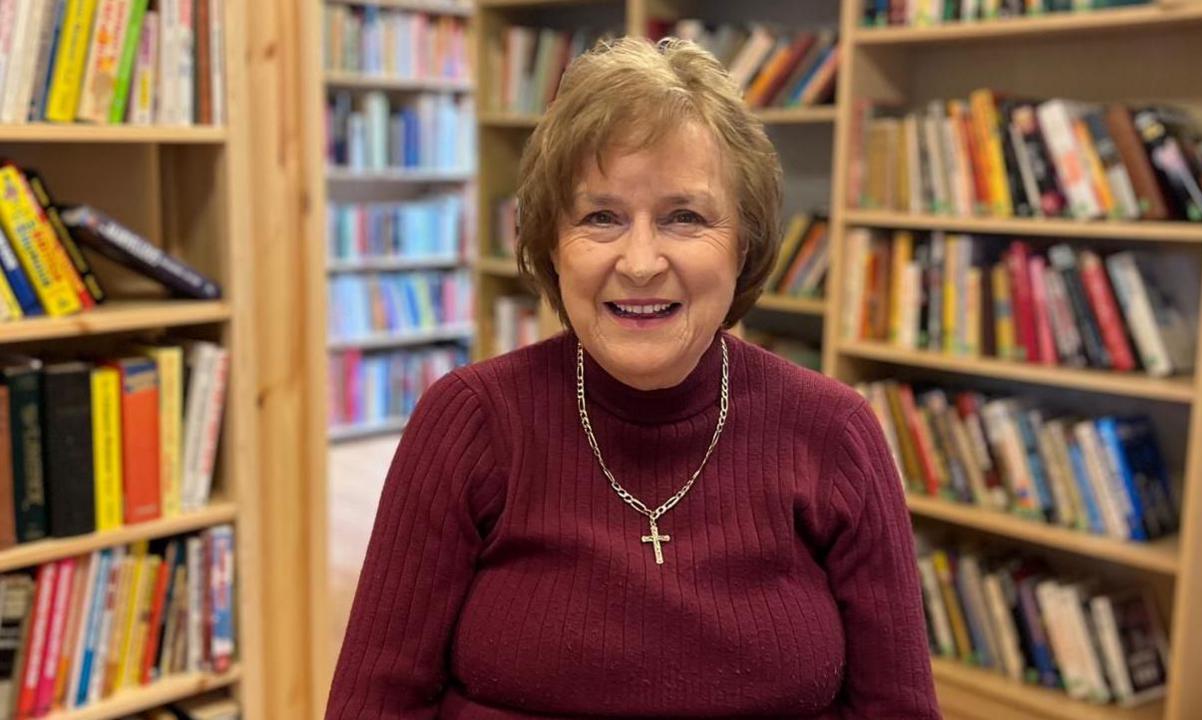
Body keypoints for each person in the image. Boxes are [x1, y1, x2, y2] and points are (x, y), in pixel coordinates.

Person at [326, 37, 940, 719]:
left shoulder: (836, 433)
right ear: (551, 247)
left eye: (685, 217)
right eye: (601, 217)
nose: (641, 261)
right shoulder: (469, 422)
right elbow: (373, 707)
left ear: (746, 243)